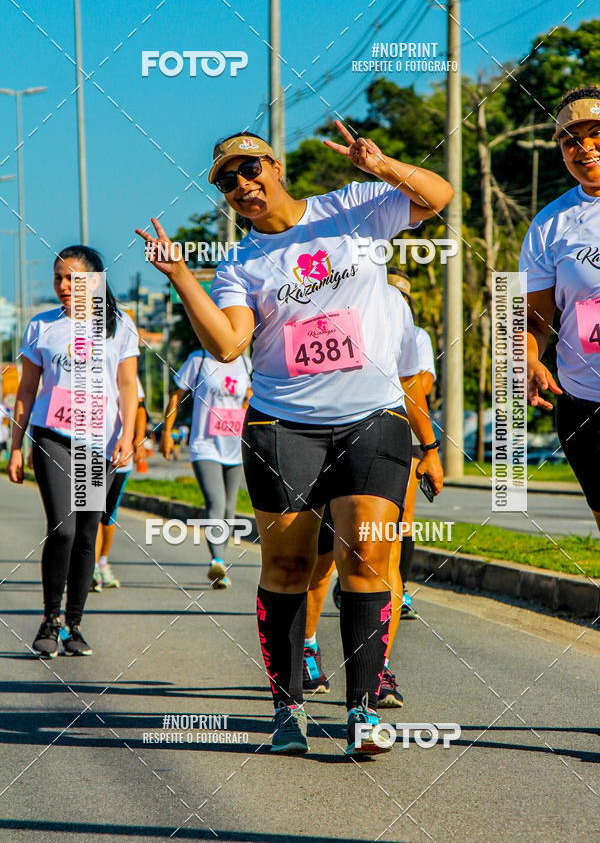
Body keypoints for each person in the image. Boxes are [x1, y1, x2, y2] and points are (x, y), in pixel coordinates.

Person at [137, 123, 451, 756]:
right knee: (288, 565)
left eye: (250, 170)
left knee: (367, 557)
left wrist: (383, 163)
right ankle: (288, 709)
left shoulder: (352, 209)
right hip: (283, 424)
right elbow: (226, 344)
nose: (243, 186)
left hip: (374, 416)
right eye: (227, 181)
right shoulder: (239, 264)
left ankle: (363, 710)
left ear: (275, 168)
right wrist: (178, 274)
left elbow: (437, 196)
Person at [304, 271, 440, 709]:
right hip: (315, 439)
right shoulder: (316, 305)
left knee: (386, 561)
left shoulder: (408, 328)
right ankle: (306, 648)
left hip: (387, 438)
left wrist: (431, 448)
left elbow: (414, 387)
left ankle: (375, 669)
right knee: (319, 562)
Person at [7, 246, 139, 657]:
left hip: (99, 442)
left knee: (86, 533)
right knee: (62, 529)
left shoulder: (119, 326)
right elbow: (26, 391)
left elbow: (128, 388)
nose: (63, 286)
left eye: (72, 279)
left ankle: (74, 625)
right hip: (54, 437)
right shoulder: (42, 327)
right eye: (58, 279)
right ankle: (50, 619)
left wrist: (128, 437)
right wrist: (15, 446)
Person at [520, 86, 600, 530]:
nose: (584, 148)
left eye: (595, 134)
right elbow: (534, 318)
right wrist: (530, 359)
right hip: (584, 400)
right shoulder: (550, 224)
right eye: (571, 141)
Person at [162, 348, 252, 588]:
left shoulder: (245, 363)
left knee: (230, 508)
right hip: (205, 444)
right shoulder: (198, 359)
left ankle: (220, 565)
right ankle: (217, 560)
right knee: (216, 502)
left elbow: (250, 399)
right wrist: (166, 433)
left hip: (235, 446)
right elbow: (176, 395)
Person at [387, 268, 437, 619]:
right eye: (391, 291)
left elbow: (424, 382)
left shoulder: (416, 335)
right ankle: (350, 582)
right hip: (357, 428)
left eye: (404, 295)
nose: (398, 299)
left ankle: (400, 590)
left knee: (401, 517)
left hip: (404, 434)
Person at [91, 377, 147, 591]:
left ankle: (102, 562)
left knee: (108, 516)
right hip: (90, 451)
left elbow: (140, 407)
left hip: (119, 456)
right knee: (92, 511)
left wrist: (138, 439)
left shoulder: (127, 371)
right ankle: (91, 567)